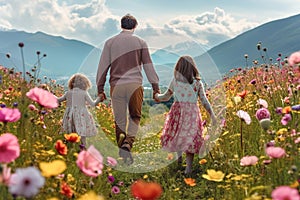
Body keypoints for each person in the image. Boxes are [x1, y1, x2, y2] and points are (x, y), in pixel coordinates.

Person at [96, 14, 160, 164]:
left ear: (121, 25)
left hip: (116, 86)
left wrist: (100, 88)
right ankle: (128, 144)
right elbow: (148, 67)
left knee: (119, 119)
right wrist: (155, 88)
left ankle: (122, 152)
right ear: (135, 26)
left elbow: (103, 67)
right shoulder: (141, 42)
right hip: (135, 85)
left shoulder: (110, 43)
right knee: (135, 117)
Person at [155, 55, 217, 174]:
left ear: (178, 68)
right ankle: (188, 168)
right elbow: (204, 101)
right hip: (191, 114)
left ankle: (179, 159)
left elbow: (166, 96)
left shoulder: (175, 81)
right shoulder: (197, 83)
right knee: (190, 138)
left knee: (178, 133)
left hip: (177, 112)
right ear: (193, 68)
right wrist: (212, 115)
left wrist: (157, 96)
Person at [57, 73, 100, 147]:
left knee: (70, 132)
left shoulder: (68, 93)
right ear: (84, 84)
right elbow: (93, 104)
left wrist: (50, 95)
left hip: (70, 115)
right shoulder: (84, 93)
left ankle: (68, 148)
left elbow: (58, 100)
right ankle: (83, 148)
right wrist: (99, 98)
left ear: (72, 83)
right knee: (82, 134)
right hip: (82, 116)